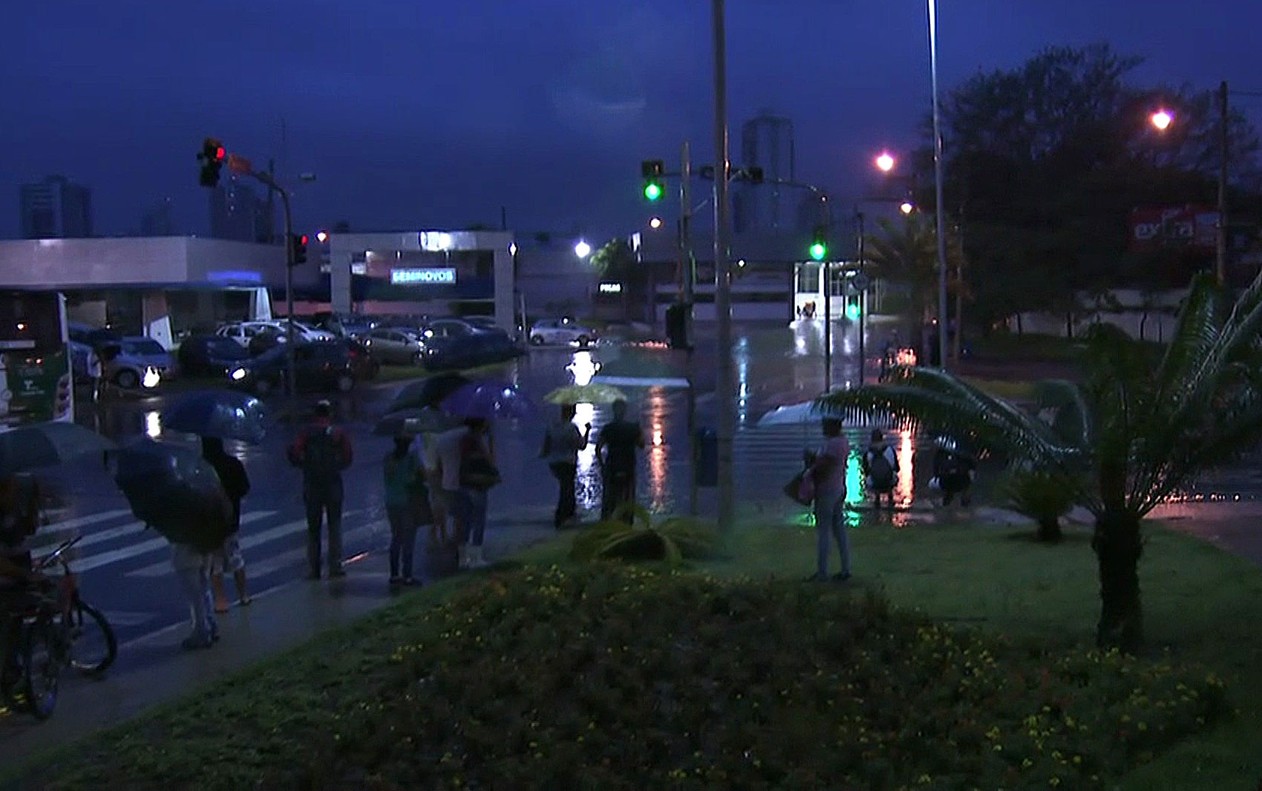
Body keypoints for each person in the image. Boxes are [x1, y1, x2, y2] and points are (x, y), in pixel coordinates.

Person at [287, 400, 354, 580]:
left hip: (312, 483)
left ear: (315, 414)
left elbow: (294, 452)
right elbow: (348, 456)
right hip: (333, 482)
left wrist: (305, 465)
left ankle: (314, 568)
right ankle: (335, 566)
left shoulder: (306, 433)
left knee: (313, 528)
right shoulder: (337, 433)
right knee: (335, 525)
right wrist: (337, 465)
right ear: (329, 414)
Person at [202, 436, 252, 612]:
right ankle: (243, 594)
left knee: (215, 564)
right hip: (230, 519)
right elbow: (244, 488)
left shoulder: (201, 468)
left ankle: (221, 601)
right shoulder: (232, 463)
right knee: (235, 558)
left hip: (208, 521)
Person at [805, 418, 851, 582]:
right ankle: (846, 568)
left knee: (824, 531)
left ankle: (822, 572)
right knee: (839, 529)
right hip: (839, 488)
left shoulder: (832, 445)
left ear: (832, 426)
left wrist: (811, 460)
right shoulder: (844, 442)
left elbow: (823, 465)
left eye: (825, 425)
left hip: (826, 490)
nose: (822, 428)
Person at [455, 418, 497, 569]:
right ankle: (476, 558)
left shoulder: (463, 440)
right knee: (478, 520)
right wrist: (491, 443)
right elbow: (491, 461)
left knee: (465, 521)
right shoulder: (477, 440)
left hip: (463, 483)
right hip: (478, 485)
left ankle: (462, 558)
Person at [384, 434, 424, 586]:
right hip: (408, 501)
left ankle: (394, 574)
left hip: (391, 501)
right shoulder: (412, 459)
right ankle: (407, 574)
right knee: (408, 540)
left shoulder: (388, 458)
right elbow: (418, 478)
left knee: (396, 538)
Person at [541, 404, 591, 528]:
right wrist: (587, 431)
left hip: (554, 463)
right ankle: (563, 515)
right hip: (568, 462)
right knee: (567, 488)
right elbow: (582, 445)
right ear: (572, 413)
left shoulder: (552, 427)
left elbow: (545, 448)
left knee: (565, 487)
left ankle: (566, 514)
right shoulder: (571, 428)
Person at [595, 399, 645, 521]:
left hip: (611, 465)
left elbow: (598, 448)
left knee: (609, 497)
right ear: (625, 411)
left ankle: (608, 521)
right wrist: (640, 431)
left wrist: (602, 465)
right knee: (628, 496)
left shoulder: (608, 428)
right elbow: (642, 445)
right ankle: (627, 521)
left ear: (613, 411)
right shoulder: (632, 428)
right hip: (628, 465)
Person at [171, 539, 217, 649]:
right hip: (204, 549)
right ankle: (210, 624)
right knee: (204, 589)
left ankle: (201, 632)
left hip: (186, 553)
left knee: (195, 596)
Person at [862, 429, 899, 510]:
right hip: (889, 482)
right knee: (893, 475)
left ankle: (877, 498)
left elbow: (866, 472)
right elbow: (897, 468)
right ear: (882, 438)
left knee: (868, 478)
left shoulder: (867, 453)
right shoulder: (890, 450)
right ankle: (890, 497)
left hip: (875, 483)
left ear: (871, 439)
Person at [933, 439, 976, 506]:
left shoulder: (942, 455)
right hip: (954, 480)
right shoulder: (966, 459)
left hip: (951, 480)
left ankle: (948, 500)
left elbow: (937, 468)